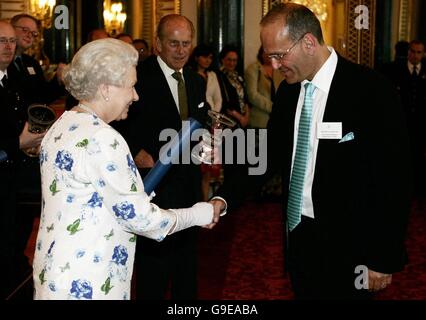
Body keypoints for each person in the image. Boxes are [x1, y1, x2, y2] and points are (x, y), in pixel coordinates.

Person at [214, 3, 411, 299]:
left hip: (352, 246)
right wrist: (224, 198)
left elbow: (394, 180)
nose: (276, 66)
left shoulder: (372, 91)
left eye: (280, 55)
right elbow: (268, 154)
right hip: (299, 236)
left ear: (308, 42)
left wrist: (383, 257)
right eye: (271, 57)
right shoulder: (289, 91)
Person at [32, 38, 218, 300]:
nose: (136, 95)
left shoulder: (63, 124)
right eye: (131, 86)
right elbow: (144, 220)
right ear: (106, 88)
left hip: (55, 270)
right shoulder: (103, 138)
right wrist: (198, 214)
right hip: (88, 280)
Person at [119, 14, 224, 300]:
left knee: (186, 269)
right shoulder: (137, 76)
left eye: (186, 44)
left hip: (188, 184)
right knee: (154, 268)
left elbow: (198, 125)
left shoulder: (194, 80)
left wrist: (207, 144)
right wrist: (134, 151)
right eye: (173, 43)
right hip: (152, 185)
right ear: (158, 44)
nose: (180, 50)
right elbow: (116, 124)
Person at [0, 20, 45, 299]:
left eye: (10, 41)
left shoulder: (12, 80)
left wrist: (29, 144)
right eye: (1, 40)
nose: (8, 46)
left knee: (11, 251)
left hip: (13, 183)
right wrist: (18, 144)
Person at [382, 40, 426, 199]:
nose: (415, 55)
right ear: (408, 52)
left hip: (420, 125)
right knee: (401, 155)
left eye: (419, 52)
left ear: (423, 54)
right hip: (402, 123)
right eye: (413, 51)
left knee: (419, 157)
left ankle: (418, 189)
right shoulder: (394, 70)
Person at [188, 43, 223, 200]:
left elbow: (218, 99)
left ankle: (205, 200)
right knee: (196, 166)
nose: (207, 60)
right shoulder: (188, 74)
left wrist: (213, 116)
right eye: (204, 57)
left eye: (210, 58)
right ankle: (196, 200)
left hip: (211, 124)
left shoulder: (213, 75)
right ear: (196, 58)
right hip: (195, 123)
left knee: (208, 167)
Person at [216, 45, 250, 127]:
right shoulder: (218, 76)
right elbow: (224, 102)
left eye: (234, 60)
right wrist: (240, 118)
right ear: (222, 59)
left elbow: (245, 98)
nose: (232, 63)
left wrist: (246, 117)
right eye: (229, 60)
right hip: (229, 121)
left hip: (242, 120)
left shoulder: (238, 76)